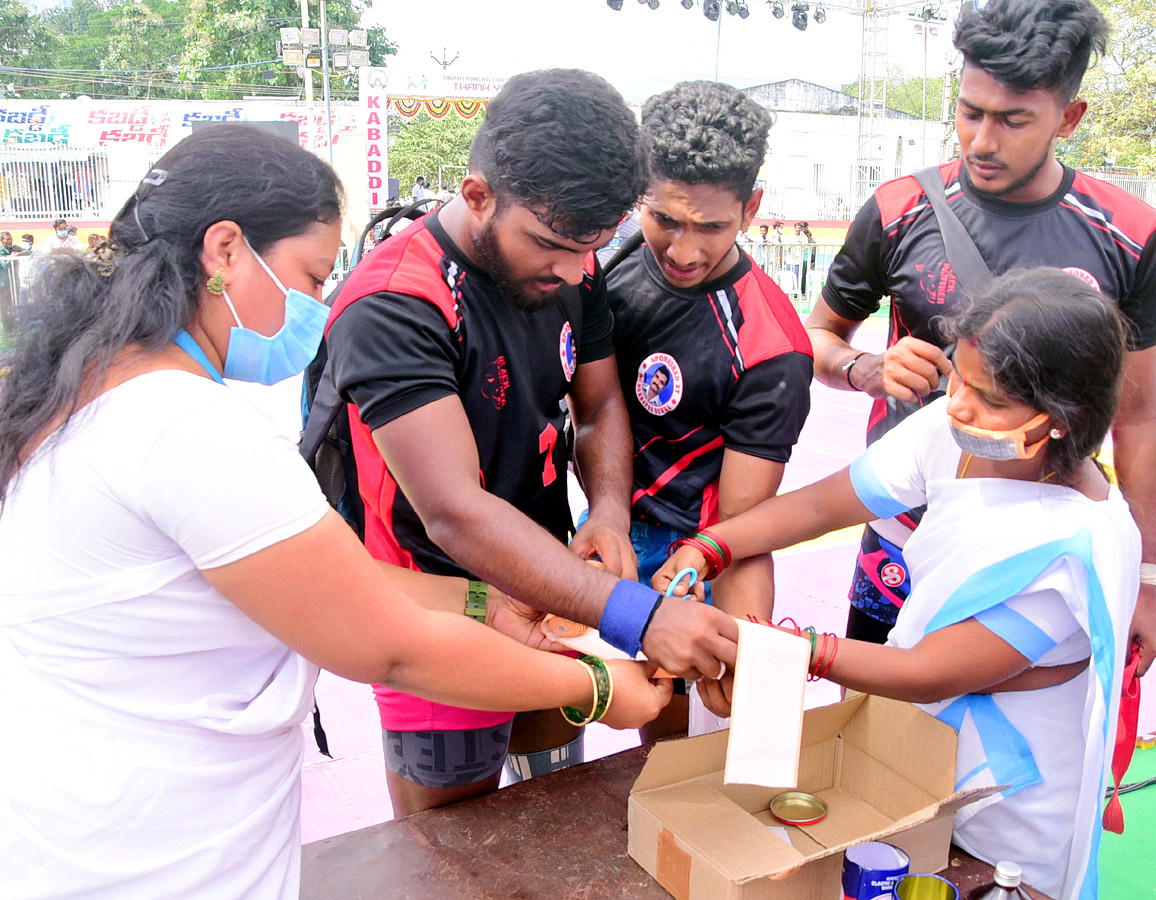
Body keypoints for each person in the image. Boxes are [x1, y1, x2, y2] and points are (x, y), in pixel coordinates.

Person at [0, 125, 674, 899]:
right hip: (153, 857)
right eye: (314, 275)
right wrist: (595, 684)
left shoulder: (83, 389)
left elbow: (326, 577)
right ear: (225, 251)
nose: (318, 303)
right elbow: (392, 650)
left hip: (93, 826)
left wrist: (483, 600)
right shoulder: (186, 430)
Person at [324, 69, 738, 817]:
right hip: (442, 609)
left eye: (594, 247)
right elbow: (455, 512)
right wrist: (638, 616)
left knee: (551, 806)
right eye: (551, 245)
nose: (577, 270)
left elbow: (601, 397)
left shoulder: (571, 263)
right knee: (450, 847)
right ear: (478, 194)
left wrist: (608, 510)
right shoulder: (395, 305)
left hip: (548, 587)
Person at [658, 268, 1138, 900]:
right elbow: (821, 506)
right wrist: (712, 544)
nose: (959, 404)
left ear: (1060, 419)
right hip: (911, 752)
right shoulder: (955, 431)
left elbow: (927, 670)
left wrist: (790, 648)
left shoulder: (1073, 549)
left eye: (991, 398)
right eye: (959, 377)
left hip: (1008, 804)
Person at [804, 0, 1156, 675]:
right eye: (970, 112)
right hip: (905, 534)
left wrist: (1148, 579)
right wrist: (866, 368)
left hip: (1045, 556)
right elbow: (820, 340)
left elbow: (1140, 415)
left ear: (1069, 118)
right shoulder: (895, 208)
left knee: (1014, 751)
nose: (980, 140)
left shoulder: (1130, 232)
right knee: (866, 733)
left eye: (1011, 120)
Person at [602, 81, 813, 738]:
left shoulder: (771, 345)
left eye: (713, 226)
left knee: (690, 734)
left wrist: (744, 647)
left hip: (692, 554)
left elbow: (743, 528)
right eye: (666, 219)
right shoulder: (601, 264)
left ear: (752, 207)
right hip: (599, 527)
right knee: (563, 716)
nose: (685, 251)